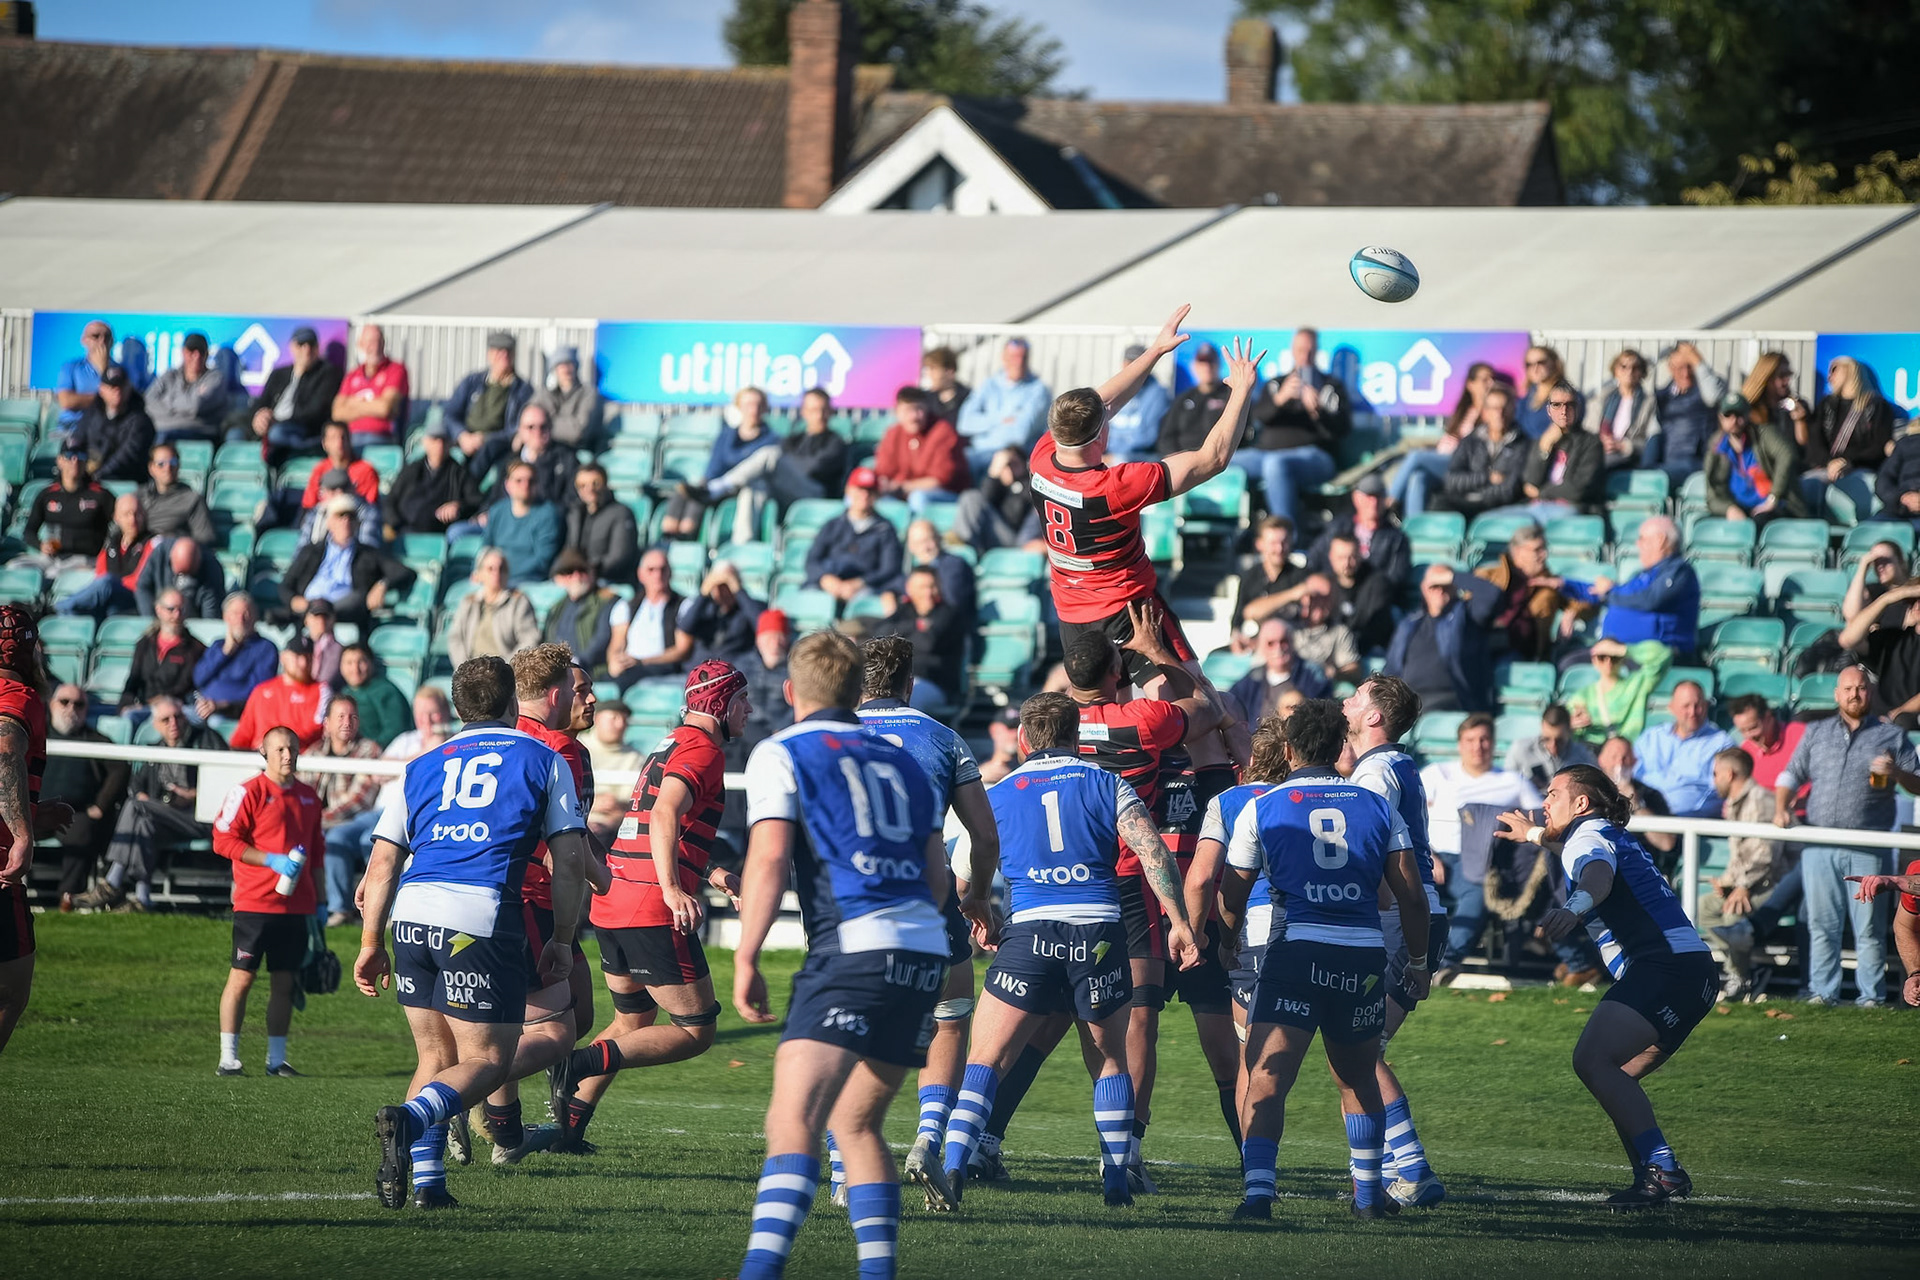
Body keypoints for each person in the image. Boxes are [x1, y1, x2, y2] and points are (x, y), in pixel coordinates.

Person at [729, 631, 980, 1280]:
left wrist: (746, 954)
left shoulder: (780, 751)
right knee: (856, 1121)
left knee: (793, 1119)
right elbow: (936, 876)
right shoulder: (904, 757)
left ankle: (759, 1271)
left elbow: (769, 858)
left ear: (790, 692)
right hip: (923, 950)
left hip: (854, 947)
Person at [937, 690, 1192, 1210]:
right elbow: (1152, 852)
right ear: (1077, 738)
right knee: (1108, 1060)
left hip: (1031, 934)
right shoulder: (1109, 783)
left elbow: (965, 879)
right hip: (1099, 932)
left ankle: (953, 1169)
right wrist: (1180, 920)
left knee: (985, 1058)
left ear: (1026, 739)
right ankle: (1116, 1180)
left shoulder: (998, 793)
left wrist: (981, 912)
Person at [356, 654, 591, 1210]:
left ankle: (428, 1185)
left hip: (411, 915)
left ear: (460, 708)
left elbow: (383, 865)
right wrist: (561, 938)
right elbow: (570, 861)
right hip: (480, 917)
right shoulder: (542, 757)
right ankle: (409, 1119)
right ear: (512, 703)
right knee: (486, 1062)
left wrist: (369, 945)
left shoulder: (421, 764)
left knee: (435, 1060)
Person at [1221, 697, 1428, 1221]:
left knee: (1267, 1078)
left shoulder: (1261, 807)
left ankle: (1259, 1196)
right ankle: (1366, 1198)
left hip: (1294, 953)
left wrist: (1224, 944)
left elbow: (1232, 892)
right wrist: (1420, 962)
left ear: (1287, 750)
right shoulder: (1376, 805)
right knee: (1358, 1078)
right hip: (1360, 957)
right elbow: (1409, 896)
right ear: (1341, 746)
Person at [1492, 766, 1718, 1209]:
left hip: (1663, 968)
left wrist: (1574, 908)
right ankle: (1653, 1178)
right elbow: (1581, 849)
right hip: (1693, 971)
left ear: (1580, 803)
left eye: (1553, 794)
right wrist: (1535, 834)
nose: (1544, 801)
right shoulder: (1603, 831)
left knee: (1593, 1059)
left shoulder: (1587, 839)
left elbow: (1596, 875)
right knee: (1618, 1078)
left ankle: (1664, 1171)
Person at [1031, 310, 1260, 688]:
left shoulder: (1042, 458)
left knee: (1101, 712)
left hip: (1072, 613)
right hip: (1128, 607)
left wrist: (1154, 352)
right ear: (1102, 436)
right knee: (1194, 698)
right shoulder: (1116, 485)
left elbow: (1101, 403)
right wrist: (1241, 392)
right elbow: (1212, 459)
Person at [852, 636, 1002, 1211]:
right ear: (910, 684)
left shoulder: (828, 734)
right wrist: (979, 897)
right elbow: (985, 836)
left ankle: (845, 1173)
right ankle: (928, 1138)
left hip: (850, 898)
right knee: (948, 1018)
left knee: (854, 1026)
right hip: (927, 892)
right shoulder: (943, 738)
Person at [1342, 675, 1452, 1207]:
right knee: (1361, 1049)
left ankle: (1407, 1168)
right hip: (1418, 916)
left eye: (1356, 697)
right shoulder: (1392, 766)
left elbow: (1375, 858)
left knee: (1358, 1051)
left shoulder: (1378, 772)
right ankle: (1396, 1171)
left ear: (1374, 718)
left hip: (1399, 918)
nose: (1346, 701)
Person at [1772, 664, 1920, 1008]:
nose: (1855, 694)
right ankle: (1822, 993)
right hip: (1820, 842)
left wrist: (1896, 772)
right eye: (1849, 689)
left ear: (1871, 693)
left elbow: (1918, 784)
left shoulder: (1892, 736)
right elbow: (1791, 773)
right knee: (1822, 924)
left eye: (1862, 688)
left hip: (1869, 844)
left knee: (1868, 928)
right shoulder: (1816, 732)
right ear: (1837, 694)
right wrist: (1782, 806)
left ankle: (1871, 996)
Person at [210, 726, 326, 1078]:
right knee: (242, 978)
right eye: (279, 749)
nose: (287, 755)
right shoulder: (248, 792)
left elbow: (317, 852)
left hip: (296, 906)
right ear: (264, 752)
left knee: (285, 982)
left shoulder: (309, 797)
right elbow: (222, 840)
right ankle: (228, 1057)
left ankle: (276, 1060)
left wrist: (321, 903)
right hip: (254, 903)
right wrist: (270, 860)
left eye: (292, 748)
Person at [1421, 712, 1543, 983]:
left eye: (1485, 739)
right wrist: (1428, 853)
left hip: (1477, 860)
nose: (1478, 746)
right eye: (1471, 739)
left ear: (1494, 743)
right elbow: (1406, 818)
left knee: (1477, 895)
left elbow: (1540, 817)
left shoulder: (1512, 781)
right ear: (1460, 744)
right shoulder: (1435, 775)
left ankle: (1443, 965)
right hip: (1430, 855)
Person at [81, 696, 224, 913]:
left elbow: (226, 784)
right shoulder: (154, 750)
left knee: (136, 807)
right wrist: (148, 800)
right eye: (166, 719)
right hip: (164, 820)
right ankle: (142, 898)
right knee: (143, 822)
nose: (173, 723)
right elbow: (137, 786)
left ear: (186, 718)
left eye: (178, 717)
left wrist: (193, 794)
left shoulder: (206, 739)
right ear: (156, 725)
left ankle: (112, 881)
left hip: (199, 817)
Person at [0, 607, 67, 1055]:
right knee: (11, 992)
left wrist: (30, 813)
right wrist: (23, 834)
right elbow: (5, 750)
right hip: (0, 870)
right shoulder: (17, 695)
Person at [1697, 748, 1788, 999]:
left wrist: (1742, 886)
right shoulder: (1736, 803)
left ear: (1729, 774)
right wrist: (1727, 883)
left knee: (1732, 913)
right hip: (1750, 882)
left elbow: (1766, 852)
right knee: (1704, 906)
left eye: (1715, 773)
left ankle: (1741, 978)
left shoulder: (1761, 800)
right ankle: (1746, 971)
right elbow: (1742, 855)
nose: (1713, 779)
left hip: (1772, 884)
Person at [1236, 328, 1352, 525]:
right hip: (1266, 453)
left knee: (1275, 465)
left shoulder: (1330, 386)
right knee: (1222, 461)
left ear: (1317, 351)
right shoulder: (1276, 383)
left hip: (1315, 455)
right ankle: (1221, 531)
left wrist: (1318, 411)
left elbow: (1342, 430)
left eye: (1310, 350)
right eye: (1300, 350)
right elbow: (1258, 417)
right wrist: (1280, 399)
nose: (1305, 355)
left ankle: (1285, 535)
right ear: (1292, 350)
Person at [704, 387, 850, 539]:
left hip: (815, 495)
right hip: (788, 493)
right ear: (804, 412)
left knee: (770, 455)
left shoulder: (836, 442)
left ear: (830, 411)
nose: (819, 416)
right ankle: (743, 543)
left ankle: (721, 486)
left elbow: (810, 468)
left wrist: (782, 464)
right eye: (813, 410)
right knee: (754, 486)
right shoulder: (794, 439)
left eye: (823, 410)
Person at [295, 694, 384, 927]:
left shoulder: (369, 750)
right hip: (319, 822)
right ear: (327, 723)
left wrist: (318, 819)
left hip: (359, 820)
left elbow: (359, 800)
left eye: (353, 717)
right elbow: (300, 789)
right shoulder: (314, 754)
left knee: (333, 839)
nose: (347, 722)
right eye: (341, 716)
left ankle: (340, 908)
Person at [1561, 517, 1701, 661]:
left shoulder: (1680, 573)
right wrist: (1562, 584)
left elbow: (1648, 600)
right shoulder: (1645, 575)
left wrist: (1608, 593)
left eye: (1642, 538)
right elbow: (1610, 593)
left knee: (1571, 663)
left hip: (1654, 659)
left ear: (1660, 540)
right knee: (1566, 658)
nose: (1637, 544)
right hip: (1621, 652)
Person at [40, 685, 125, 913]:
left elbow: (120, 769)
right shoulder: (35, 735)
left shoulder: (96, 740)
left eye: (79, 704)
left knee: (83, 830)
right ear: (51, 704)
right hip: (32, 810)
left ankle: (67, 899)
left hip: (73, 813)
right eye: (65, 702)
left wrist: (101, 804)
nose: (71, 709)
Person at [1382, 564, 1501, 713]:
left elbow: (1492, 593)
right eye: (1434, 586)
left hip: (1453, 700)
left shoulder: (1468, 618)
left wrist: (1451, 577)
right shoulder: (1409, 625)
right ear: (1423, 589)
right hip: (1408, 699)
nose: (1440, 591)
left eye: (1445, 586)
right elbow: (1391, 667)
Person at [281, 497, 415, 630]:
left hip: (344, 615)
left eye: (351, 517)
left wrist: (382, 584)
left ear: (357, 523)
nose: (346, 521)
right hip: (308, 610)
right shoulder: (311, 551)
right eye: (340, 516)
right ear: (329, 522)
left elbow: (404, 572)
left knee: (355, 599)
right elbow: (285, 586)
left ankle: (321, 619)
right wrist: (294, 601)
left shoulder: (367, 554)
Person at [664, 388, 777, 539]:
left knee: (702, 495)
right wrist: (708, 483)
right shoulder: (726, 435)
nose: (754, 410)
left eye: (758, 405)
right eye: (749, 404)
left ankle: (686, 536)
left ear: (764, 408)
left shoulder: (771, 439)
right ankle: (667, 538)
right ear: (739, 406)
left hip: (741, 488)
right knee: (685, 493)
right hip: (715, 486)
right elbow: (714, 467)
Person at [1390, 361, 1499, 517]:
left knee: (1416, 456)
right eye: (1485, 379)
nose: (1491, 383)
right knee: (1418, 477)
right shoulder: (1464, 411)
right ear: (1470, 384)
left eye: (1492, 379)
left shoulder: (1491, 414)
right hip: (1444, 462)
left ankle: (1389, 499)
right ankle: (1414, 531)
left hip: (1461, 464)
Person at [1474, 523, 1590, 661]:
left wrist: (1572, 612)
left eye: (1545, 548)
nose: (1544, 554)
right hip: (1485, 644)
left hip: (1526, 654)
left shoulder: (1550, 583)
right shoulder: (1489, 576)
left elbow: (1588, 601)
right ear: (1518, 551)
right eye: (1537, 550)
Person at [1800, 356, 1894, 516]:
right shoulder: (1826, 404)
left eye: (1834, 369)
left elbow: (1879, 446)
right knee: (1805, 484)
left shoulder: (1876, 406)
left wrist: (1849, 462)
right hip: (1827, 468)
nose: (1830, 376)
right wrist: (1830, 462)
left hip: (1861, 467)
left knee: (1863, 484)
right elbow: (1814, 442)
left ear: (1850, 369)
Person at [1633, 681, 1735, 819]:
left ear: (1706, 706)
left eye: (1698, 705)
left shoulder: (1722, 744)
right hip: (1642, 816)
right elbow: (1630, 776)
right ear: (1671, 707)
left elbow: (1724, 792)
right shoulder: (1651, 737)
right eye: (1686, 706)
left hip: (1689, 824)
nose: (1692, 712)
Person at [803, 467, 902, 609]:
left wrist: (860, 582)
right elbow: (812, 560)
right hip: (830, 583)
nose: (864, 495)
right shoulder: (833, 525)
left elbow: (890, 568)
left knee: (864, 603)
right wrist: (826, 579)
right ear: (848, 490)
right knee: (811, 598)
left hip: (866, 587)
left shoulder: (885, 529)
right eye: (860, 489)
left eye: (870, 490)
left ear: (877, 494)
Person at [1705, 392, 1804, 525]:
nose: (1734, 420)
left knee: (1758, 522)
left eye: (1739, 415)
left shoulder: (1764, 434)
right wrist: (1729, 509)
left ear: (1747, 416)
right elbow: (1712, 496)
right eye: (1728, 415)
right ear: (1720, 418)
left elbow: (1787, 454)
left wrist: (1774, 496)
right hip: (1739, 509)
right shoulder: (1716, 448)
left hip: (1774, 508)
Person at [876, 567, 965, 715]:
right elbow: (879, 634)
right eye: (922, 587)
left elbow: (927, 643)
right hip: (897, 681)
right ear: (909, 589)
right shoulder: (904, 611)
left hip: (935, 683)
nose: (928, 593)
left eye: (932, 586)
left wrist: (901, 636)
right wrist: (916, 626)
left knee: (908, 702)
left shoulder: (949, 614)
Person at [1434, 383, 1530, 518]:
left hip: (1497, 507)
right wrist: (1487, 477)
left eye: (1504, 408)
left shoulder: (1522, 444)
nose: (1499, 414)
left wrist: (1479, 494)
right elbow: (1451, 480)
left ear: (1513, 409)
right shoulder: (1470, 442)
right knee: (1437, 503)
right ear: (1485, 413)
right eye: (1494, 408)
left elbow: (1510, 489)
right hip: (1463, 503)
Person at [957, 336, 1051, 475]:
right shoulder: (989, 384)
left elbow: (1019, 434)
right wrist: (1001, 419)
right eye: (1013, 357)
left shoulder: (1039, 390)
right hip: (978, 454)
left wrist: (985, 427)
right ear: (1003, 358)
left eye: (1023, 357)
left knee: (1001, 463)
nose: (1018, 362)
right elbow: (964, 423)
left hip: (1015, 457)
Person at [55, 491, 154, 622]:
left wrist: (114, 582)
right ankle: (66, 611)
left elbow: (140, 580)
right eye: (127, 514)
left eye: (137, 514)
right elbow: (100, 575)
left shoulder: (152, 543)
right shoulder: (111, 543)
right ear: (116, 518)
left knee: (106, 582)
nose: (133, 520)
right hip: (110, 598)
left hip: (134, 597)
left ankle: (59, 606)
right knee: (76, 613)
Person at [246, 327, 342, 458]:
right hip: (272, 427)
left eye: (311, 345)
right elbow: (261, 402)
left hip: (303, 430)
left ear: (318, 348)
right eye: (301, 344)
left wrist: (276, 421)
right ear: (292, 347)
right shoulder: (278, 374)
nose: (306, 350)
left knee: (277, 434)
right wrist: (258, 417)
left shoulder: (327, 374)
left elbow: (316, 411)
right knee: (235, 435)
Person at [19, 442, 111, 578]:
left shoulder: (100, 495)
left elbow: (119, 529)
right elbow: (29, 531)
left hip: (84, 558)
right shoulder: (48, 494)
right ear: (60, 461)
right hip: (52, 557)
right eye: (69, 456)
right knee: (16, 568)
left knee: (53, 574)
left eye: (80, 456)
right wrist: (41, 545)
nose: (75, 461)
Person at [1839, 577, 1920, 728]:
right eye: (1913, 600)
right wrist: (1886, 599)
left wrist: (1897, 713)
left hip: (1906, 721)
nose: (1917, 605)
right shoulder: (1894, 638)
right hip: (1873, 716)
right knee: (1804, 717)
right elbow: (1848, 640)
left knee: (1901, 722)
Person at [875, 386, 970, 513]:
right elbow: (883, 471)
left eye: (919, 409)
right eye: (908, 410)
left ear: (927, 408)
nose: (914, 416)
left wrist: (904, 487)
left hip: (946, 494)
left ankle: (919, 532)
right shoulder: (893, 433)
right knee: (864, 496)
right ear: (897, 412)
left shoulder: (942, 431)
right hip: (901, 493)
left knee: (918, 497)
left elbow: (940, 480)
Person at [607, 548, 693, 687]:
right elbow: (616, 644)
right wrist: (614, 662)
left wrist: (643, 661)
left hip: (663, 667)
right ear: (641, 574)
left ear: (670, 573)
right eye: (651, 570)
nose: (657, 575)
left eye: (662, 569)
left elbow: (683, 650)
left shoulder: (683, 605)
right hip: (630, 667)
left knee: (626, 680)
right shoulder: (627, 606)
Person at [384, 420, 483, 540]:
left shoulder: (459, 473)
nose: (439, 445)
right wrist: (394, 524)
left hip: (439, 533)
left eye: (444, 440)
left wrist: (458, 507)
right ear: (425, 442)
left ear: (450, 444)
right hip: (405, 531)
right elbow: (391, 500)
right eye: (435, 439)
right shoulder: (411, 470)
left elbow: (476, 501)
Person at [1517, 383, 1605, 517]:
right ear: (1548, 410)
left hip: (1575, 509)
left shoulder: (1591, 443)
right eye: (1557, 405)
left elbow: (1579, 489)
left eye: (1570, 405)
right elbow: (1530, 482)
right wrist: (1544, 449)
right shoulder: (1543, 439)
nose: (1564, 411)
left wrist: (1541, 493)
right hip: (1538, 507)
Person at [445, 331, 533, 462]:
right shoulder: (471, 382)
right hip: (464, 440)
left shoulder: (522, 390)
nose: (504, 355)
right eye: (499, 351)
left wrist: (485, 438)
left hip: (497, 445)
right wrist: (462, 435)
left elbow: (517, 427)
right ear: (489, 354)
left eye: (508, 351)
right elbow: (450, 414)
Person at [445, 548, 541, 669]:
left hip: (506, 673)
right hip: (472, 672)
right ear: (479, 574)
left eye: (502, 569)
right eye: (490, 569)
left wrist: (505, 667)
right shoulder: (469, 602)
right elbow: (455, 638)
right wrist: (466, 668)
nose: (497, 573)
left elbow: (530, 639)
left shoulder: (519, 602)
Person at [1565, 638, 1672, 747]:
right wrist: (1572, 725)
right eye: (1602, 657)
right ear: (1594, 660)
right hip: (1593, 753)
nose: (1608, 662)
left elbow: (1663, 655)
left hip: (1627, 751)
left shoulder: (1636, 684)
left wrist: (1624, 650)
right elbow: (1564, 731)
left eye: (1614, 658)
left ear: (1623, 660)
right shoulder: (1583, 695)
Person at [192, 593, 280, 723]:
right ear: (226, 617)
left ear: (255, 617)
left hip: (233, 714)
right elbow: (198, 678)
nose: (241, 619)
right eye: (235, 613)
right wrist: (225, 652)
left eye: (246, 613)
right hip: (201, 708)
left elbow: (258, 691)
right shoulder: (218, 646)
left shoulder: (266, 648)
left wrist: (220, 705)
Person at [230, 634, 329, 751]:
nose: (303, 663)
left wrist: (274, 747)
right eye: (297, 656)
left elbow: (314, 730)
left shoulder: (321, 690)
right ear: (283, 658)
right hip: (258, 758)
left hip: (298, 760)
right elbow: (243, 734)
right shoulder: (261, 691)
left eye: (308, 657)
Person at [474, 404, 577, 511]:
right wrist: (484, 513)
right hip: (503, 520)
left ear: (550, 428)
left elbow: (570, 500)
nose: (537, 432)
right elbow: (496, 496)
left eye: (543, 427)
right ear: (520, 431)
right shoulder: (510, 460)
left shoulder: (566, 459)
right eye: (530, 427)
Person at [120, 589, 207, 714]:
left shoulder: (195, 648)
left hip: (178, 708)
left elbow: (186, 684)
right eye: (171, 609)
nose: (177, 615)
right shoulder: (144, 644)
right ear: (159, 610)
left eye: (181, 610)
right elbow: (133, 679)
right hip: (147, 707)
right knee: (129, 714)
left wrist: (159, 701)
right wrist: (125, 704)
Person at [1229, 516, 1311, 645]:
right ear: (1259, 544)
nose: (1279, 549)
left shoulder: (1301, 576)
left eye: (1284, 542)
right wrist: (1237, 641)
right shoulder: (1249, 576)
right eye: (1273, 543)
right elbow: (1242, 616)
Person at [1653, 341, 1726, 482]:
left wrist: (1697, 360)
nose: (1686, 374)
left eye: (1690, 367)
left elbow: (1713, 396)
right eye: (1680, 368)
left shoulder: (1707, 390)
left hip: (1698, 462)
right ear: (1670, 368)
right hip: (1668, 461)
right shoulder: (1662, 396)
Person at [480, 462, 562, 585]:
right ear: (507, 485)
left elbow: (543, 560)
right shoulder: (497, 510)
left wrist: (504, 574)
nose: (525, 485)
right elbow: (486, 548)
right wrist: (480, 571)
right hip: (496, 577)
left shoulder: (548, 514)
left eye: (531, 481)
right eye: (519, 481)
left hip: (529, 580)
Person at [544, 550, 623, 676]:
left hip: (592, 673)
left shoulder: (607, 601)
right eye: (569, 571)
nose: (576, 576)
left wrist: (577, 663)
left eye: (582, 570)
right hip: (558, 674)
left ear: (592, 573)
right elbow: (547, 641)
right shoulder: (556, 608)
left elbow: (602, 640)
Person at [950, 446, 1042, 555]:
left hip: (1015, 540)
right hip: (994, 534)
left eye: (1014, 464)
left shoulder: (1030, 485)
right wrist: (993, 475)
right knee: (970, 497)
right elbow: (982, 503)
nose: (1009, 469)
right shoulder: (997, 484)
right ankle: (965, 545)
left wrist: (1014, 484)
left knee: (971, 497)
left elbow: (1014, 516)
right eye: (1005, 466)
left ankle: (966, 543)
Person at [71, 363, 155, 482]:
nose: (117, 391)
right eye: (111, 387)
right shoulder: (92, 413)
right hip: (92, 479)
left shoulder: (140, 421)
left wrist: (96, 476)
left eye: (121, 386)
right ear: (101, 390)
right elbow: (78, 439)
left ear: (129, 387)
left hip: (126, 481)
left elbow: (127, 457)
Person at [145, 332, 230, 444]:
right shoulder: (170, 375)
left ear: (207, 354)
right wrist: (185, 405)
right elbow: (148, 402)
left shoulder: (215, 378)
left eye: (201, 352)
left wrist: (166, 401)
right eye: (192, 351)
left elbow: (196, 406)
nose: (196, 356)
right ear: (183, 352)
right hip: (164, 430)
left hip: (200, 433)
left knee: (162, 441)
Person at [563, 464, 640, 587]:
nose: (590, 489)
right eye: (583, 485)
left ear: (605, 484)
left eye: (596, 483)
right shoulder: (575, 513)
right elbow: (568, 549)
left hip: (610, 581)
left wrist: (590, 570)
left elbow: (620, 557)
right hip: (580, 578)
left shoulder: (621, 513)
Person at [681, 561, 767, 668]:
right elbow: (685, 627)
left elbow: (764, 626)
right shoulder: (704, 607)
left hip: (732, 672)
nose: (722, 591)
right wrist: (703, 594)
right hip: (700, 671)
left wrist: (739, 591)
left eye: (727, 585)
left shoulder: (749, 607)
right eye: (718, 585)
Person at [333, 323, 409, 445]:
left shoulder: (396, 370)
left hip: (382, 438)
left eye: (377, 341)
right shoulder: (352, 375)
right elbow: (337, 413)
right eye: (369, 342)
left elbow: (384, 408)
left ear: (384, 343)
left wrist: (353, 402)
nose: (374, 346)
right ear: (361, 345)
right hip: (350, 438)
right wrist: (373, 403)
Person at [1587, 348, 1662, 471]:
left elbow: (1650, 439)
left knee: (1595, 466)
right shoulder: (1603, 398)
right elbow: (1589, 430)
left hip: (1626, 455)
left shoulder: (1648, 402)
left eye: (1635, 367)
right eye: (1624, 366)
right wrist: (1601, 443)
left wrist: (1623, 446)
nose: (1629, 371)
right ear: (1615, 371)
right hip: (1600, 450)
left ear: (1642, 373)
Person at [895, 519, 975, 627]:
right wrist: (888, 594)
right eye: (919, 543)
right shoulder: (914, 570)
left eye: (928, 540)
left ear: (938, 539)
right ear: (911, 547)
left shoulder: (954, 565)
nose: (925, 548)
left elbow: (952, 600)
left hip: (949, 628)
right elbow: (898, 585)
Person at [1506, 704, 1598, 793]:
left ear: (1569, 731)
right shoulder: (1521, 750)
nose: (1553, 746)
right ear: (1541, 727)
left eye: (1559, 741)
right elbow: (1507, 787)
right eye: (1546, 739)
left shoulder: (1584, 757)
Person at [137, 441, 217, 545]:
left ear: (179, 466)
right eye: (161, 464)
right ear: (151, 468)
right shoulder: (140, 496)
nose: (168, 468)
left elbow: (205, 538)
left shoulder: (192, 499)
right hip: (140, 551)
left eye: (173, 462)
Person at [135, 536, 225, 622]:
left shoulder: (212, 569)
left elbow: (210, 614)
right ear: (171, 558)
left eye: (188, 574)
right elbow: (143, 586)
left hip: (194, 617)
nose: (183, 578)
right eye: (180, 573)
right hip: (160, 615)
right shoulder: (160, 553)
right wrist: (150, 620)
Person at [298, 421, 382, 513]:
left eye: (343, 438)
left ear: (350, 440)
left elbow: (369, 506)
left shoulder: (366, 470)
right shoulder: (320, 469)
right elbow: (309, 505)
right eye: (333, 438)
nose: (339, 443)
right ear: (325, 443)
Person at [531, 344, 602, 452]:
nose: (566, 369)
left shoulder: (588, 393)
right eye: (561, 365)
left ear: (576, 367)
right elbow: (528, 420)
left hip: (576, 450)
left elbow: (578, 431)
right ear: (554, 370)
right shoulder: (544, 394)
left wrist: (545, 425)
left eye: (569, 364)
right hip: (546, 449)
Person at [1104, 343, 1169, 462]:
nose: (1133, 367)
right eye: (1129, 362)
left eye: (1137, 362)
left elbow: (1147, 438)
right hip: (1110, 455)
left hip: (1140, 457)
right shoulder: (1115, 389)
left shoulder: (1158, 394)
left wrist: (1113, 458)